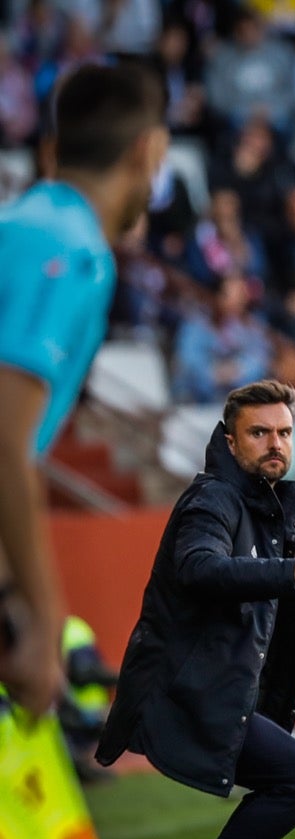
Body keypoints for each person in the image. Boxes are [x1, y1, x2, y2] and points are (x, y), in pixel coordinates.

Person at [95, 382, 295, 839]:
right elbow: (199, 567)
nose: (275, 444)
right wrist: (288, 572)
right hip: (184, 693)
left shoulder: (262, 499)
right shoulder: (212, 498)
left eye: (284, 433)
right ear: (231, 442)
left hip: (213, 690)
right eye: (259, 433)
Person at [0, 61, 167, 719]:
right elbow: (6, 440)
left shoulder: (29, 221)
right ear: (146, 150)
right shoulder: (69, 250)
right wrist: (46, 617)